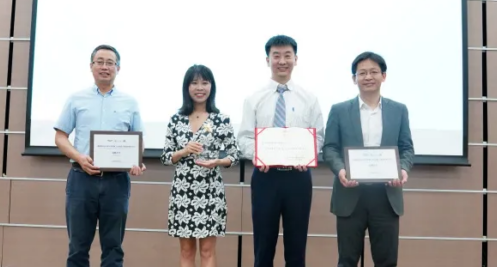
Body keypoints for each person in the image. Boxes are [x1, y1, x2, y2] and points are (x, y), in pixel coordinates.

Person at [53, 44, 146, 267]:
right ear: (91, 66)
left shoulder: (130, 102)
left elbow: (138, 142)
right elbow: (60, 137)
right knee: (77, 248)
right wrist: (79, 157)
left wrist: (136, 162)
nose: (105, 67)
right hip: (81, 180)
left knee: (113, 249)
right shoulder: (76, 99)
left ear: (118, 68)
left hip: (116, 182)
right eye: (100, 62)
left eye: (110, 63)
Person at [237, 35, 325, 267]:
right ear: (268, 60)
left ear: (296, 59)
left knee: (296, 249)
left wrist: (307, 156)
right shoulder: (254, 99)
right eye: (276, 56)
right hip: (266, 178)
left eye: (287, 55)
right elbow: (244, 138)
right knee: (263, 248)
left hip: (298, 178)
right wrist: (258, 155)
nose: (282, 61)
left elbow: (319, 137)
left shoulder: (309, 98)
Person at [322, 51, 415, 267]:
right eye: (362, 73)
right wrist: (340, 170)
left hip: (386, 195)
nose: (368, 77)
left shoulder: (399, 110)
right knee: (346, 261)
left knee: (387, 261)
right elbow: (330, 148)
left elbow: (407, 148)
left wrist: (402, 169)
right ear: (354, 78)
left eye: (374, 71)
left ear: (384, 76)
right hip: (349, 195)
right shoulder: (339, 110)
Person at [160, 64, 240, 267]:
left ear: (211, 86)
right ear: (187, 87)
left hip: (210, 190)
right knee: (186, 250)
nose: (200, 87)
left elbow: (234, 155)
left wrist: (218, 161)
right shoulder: (176, 120)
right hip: (183, 191)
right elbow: (166, 157)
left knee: (207, 250)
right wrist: (183, 151)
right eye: (194, 83)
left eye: (205, 82)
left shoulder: (221, 120)